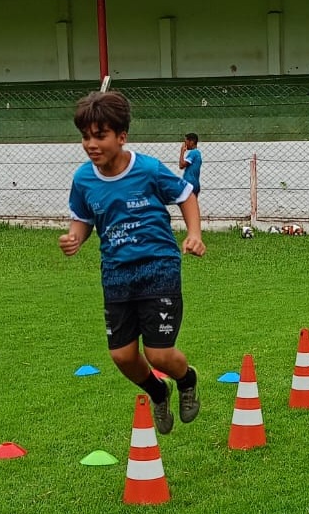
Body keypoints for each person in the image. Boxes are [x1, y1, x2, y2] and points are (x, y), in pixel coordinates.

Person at [59, 90, 205, 435]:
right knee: (123, 357)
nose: (91, 144)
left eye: (100, 135)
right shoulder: (83, 179)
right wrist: (75, 237)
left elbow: (186, 196)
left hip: (159, 268)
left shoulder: (149, 169)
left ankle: (187, 379)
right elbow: (82, 218)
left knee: (158, 355)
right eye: (85, 136)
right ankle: (159, 392)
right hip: (116, 274)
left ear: (121, 136)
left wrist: (194, 233)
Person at [179, 132, 202, 197]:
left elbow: (181, 165)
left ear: (192, 142)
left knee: (188, 206)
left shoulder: (193, 153)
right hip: (194, 183)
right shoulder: (197, 153)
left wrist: (182, 151)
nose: (185, 144)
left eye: (186, 142)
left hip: (190, 183)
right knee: (193, 205)